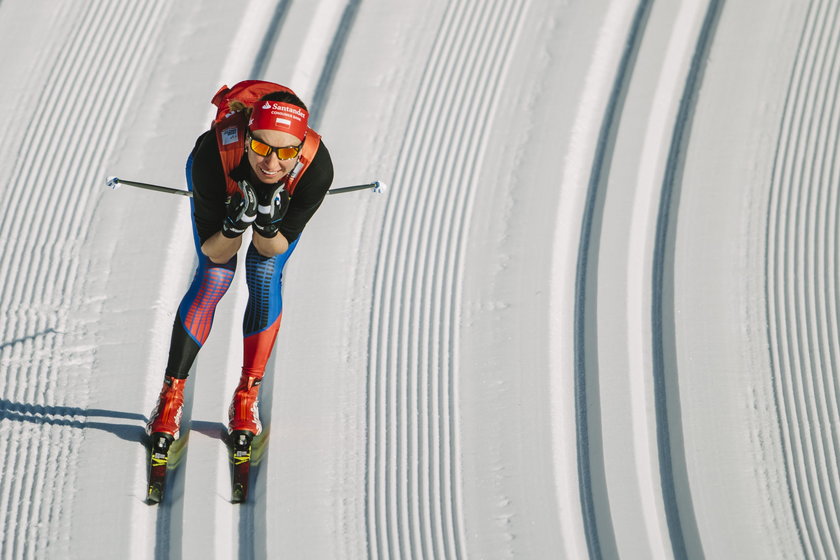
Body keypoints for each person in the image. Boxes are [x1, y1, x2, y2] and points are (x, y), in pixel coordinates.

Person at [145, 81, 334, 444]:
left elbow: (271, 248)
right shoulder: (214, 154)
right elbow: (216, 251)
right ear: (247, 137)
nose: (271, 162)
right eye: (261, 146)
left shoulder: (316, 169)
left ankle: (247, 396)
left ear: (300, 149)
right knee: (215, 276)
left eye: (285, 152)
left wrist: (265, 222)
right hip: (224, 181)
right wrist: (233, 224)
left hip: (276, 215)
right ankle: (171, 395)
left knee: (263, 273)